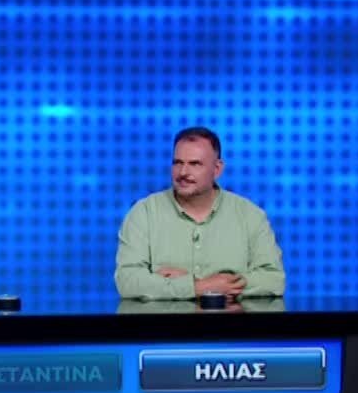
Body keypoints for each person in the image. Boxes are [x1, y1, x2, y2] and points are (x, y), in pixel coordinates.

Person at [115, 127, 285, 300]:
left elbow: (274, 279)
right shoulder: (143, 213)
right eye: (178, 163)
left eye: (195, 164)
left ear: (217, 169)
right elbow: (127, 281)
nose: (183, 172)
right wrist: (199, 287)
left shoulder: (250, 215)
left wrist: (192, 285)